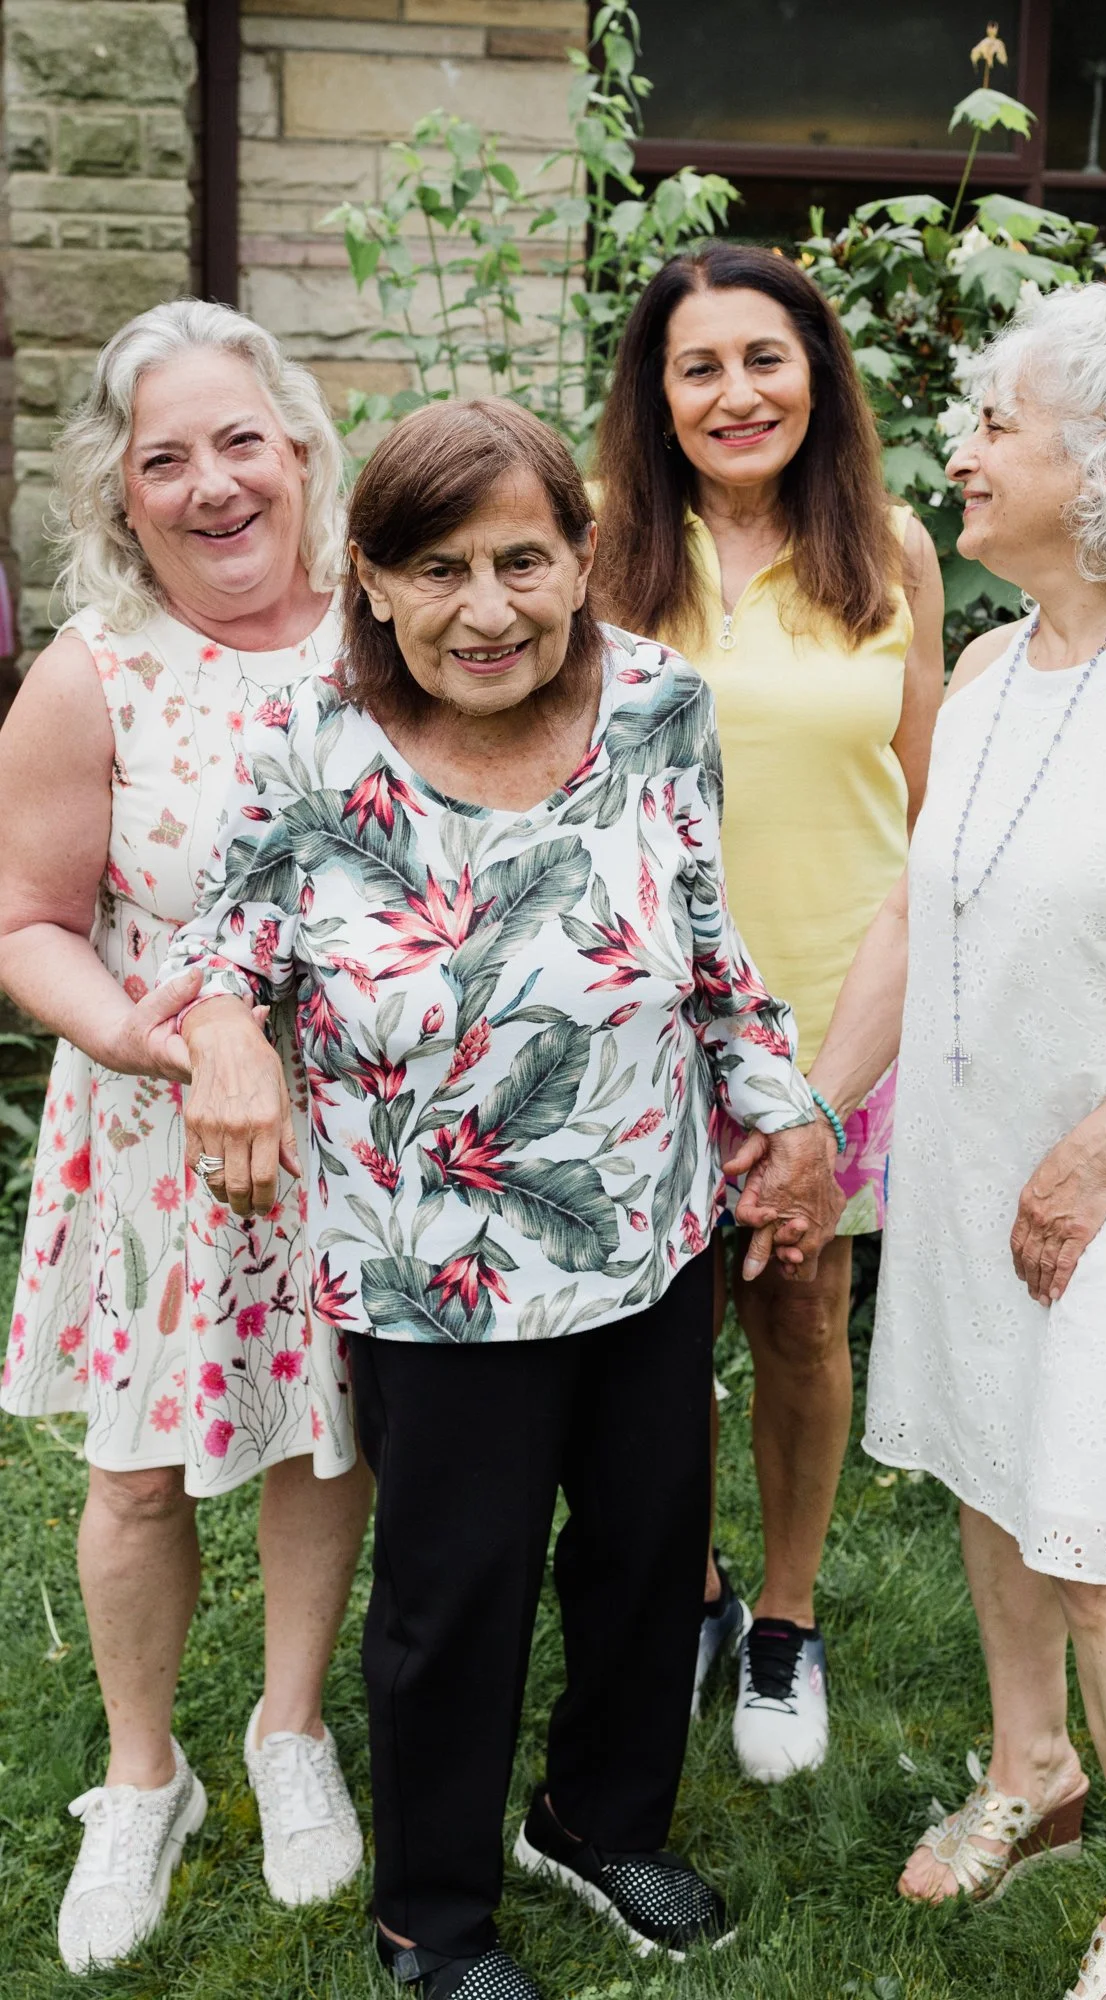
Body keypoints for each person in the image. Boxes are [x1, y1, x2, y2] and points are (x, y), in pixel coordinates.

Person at [161, 397, 842, 2000]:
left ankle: (600, 1820)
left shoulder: (661, 702)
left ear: (585, 554)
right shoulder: (317, 743)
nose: (488, 610)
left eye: (524, 561)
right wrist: (220, 1042)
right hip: (433, 1263)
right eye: (439, 570)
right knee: (454, 1591)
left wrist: (784, 1112)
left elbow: (704, 935)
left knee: (642, 1549)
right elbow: (219, 955)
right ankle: (433, 1918)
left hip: (648, 1223)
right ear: (373, 583)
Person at [757, 284, 1106, 1999]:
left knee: (1096, 1534)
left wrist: (1096, 1158)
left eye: (999, 422)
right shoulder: (998, 664)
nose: (961, 447)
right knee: (1001, 1477)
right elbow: (913, 922)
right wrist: (816, 1112)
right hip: (970, 1151)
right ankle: (1036, 1773)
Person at [0, 301, 373, 1973]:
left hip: (352, 1135)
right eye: (168, 459)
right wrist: (146, 1038)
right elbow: (25, 924)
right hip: (154, 1131)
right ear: (120, 495)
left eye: (242, 442)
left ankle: (289, 1731)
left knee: (322, 1438)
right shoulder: (94, 674)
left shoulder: (388, 633)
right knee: (138, 1473)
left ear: (299, 451)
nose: (215, 485)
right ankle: (139, 1774)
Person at [594, 242, 944, 1781]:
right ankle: (696, 1595)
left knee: (800, 1311)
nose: (737, 393)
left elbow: (931, 814)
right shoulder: (599, 550)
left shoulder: (891, 549)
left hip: (836, 1006)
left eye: (764, 358)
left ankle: (786, 1622)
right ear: (657, 397)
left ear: (816, 373)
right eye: (699, 367)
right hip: (637, 1019)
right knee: (652, 1343)